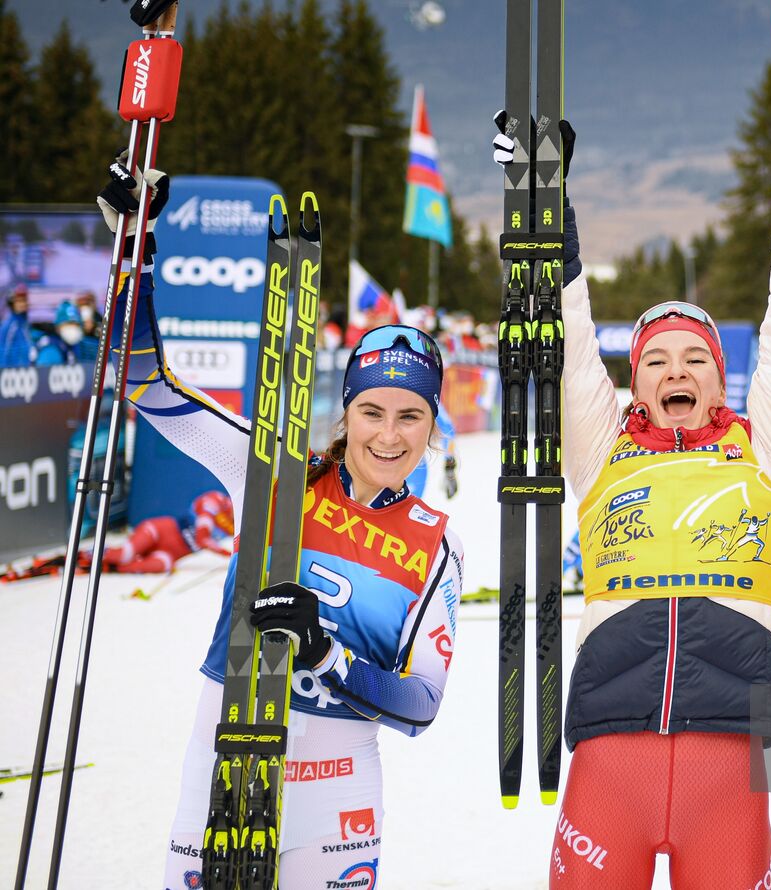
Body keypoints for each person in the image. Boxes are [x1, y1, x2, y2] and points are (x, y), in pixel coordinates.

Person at [89, 158, 465, 886]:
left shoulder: (435, 546)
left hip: (339, 791)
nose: (389, 435)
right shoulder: (269, 472)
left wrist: (326, 652)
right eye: (372, 412)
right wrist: (134, 248)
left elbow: (420, 706)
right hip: (223, 752)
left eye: (410, 416)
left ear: (432, 426)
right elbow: (141, 382)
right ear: (345, 411)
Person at [495, 98, 771, 889]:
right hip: (611, 753)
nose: (676, 371)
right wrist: (542, 197)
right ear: (636, 381)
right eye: (657, 360)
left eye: (695, 358)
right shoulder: (602, 447)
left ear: (722, 378)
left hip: (731, 759)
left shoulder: (764, 448)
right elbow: (567, 336)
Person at [86, 489, 235, 574]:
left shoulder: (235, 524)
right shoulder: (216, 499)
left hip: (172, 553)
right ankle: (80, 556)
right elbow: (202, 539)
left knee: (163, 565)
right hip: (158, 531)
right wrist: (231, 556)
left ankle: (110, 568)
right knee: (125, 554)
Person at [0, 283, 36, 367]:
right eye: (19, 301)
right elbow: (3, 353)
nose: (22, 304)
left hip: (26, 373)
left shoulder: (26, 324)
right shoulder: (9, 326)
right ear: (12, 304)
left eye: (24, 300)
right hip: (11, 374)